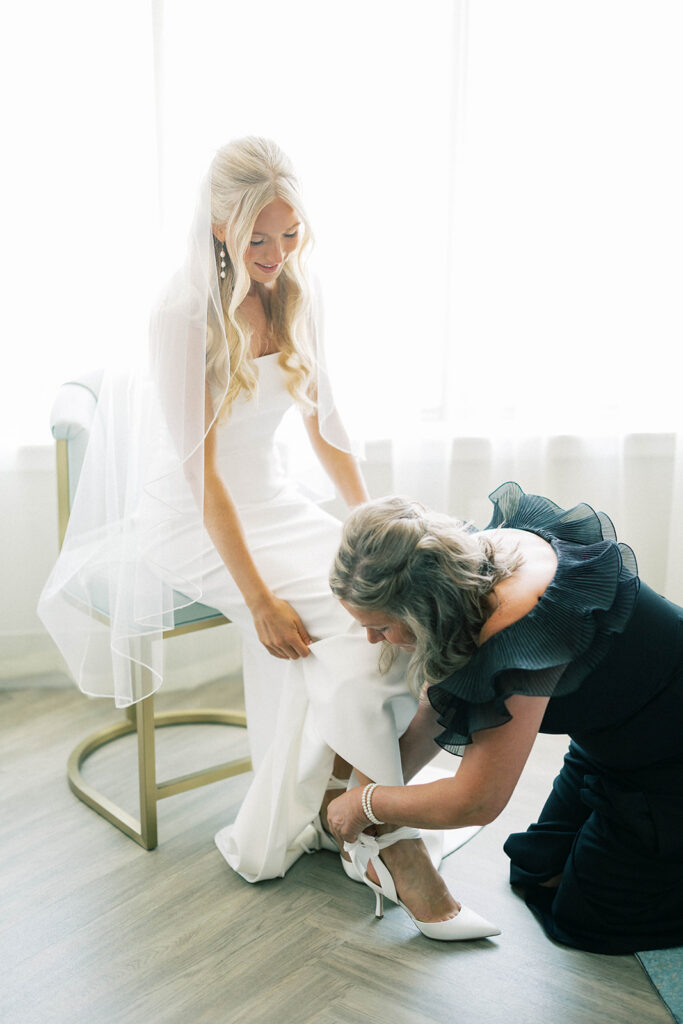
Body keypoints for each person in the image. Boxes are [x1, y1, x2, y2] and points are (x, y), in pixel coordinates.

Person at [38, 137, 497, 939]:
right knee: (346, 642)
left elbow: (328, 424)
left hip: (276, 506)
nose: (276, 255)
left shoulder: (293, 288)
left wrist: (376, 531)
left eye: (289, 236)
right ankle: (391, 842)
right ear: (218, 224)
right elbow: (200, 477)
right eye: (258, 238)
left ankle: (343, 814)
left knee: (389, 629)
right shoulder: (180, 313)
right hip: (192, 524)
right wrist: (257, 600)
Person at [326, 481, 683, 954]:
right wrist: (370, 788)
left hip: (669, 760)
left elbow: (477, 801)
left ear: (423, 608)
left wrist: (366, 804)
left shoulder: (519, 624)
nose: (373, 640)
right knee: (536, 871)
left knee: (587, 920)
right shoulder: (466, 568)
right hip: (610, 744)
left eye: (382, 626)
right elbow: (440, 707)